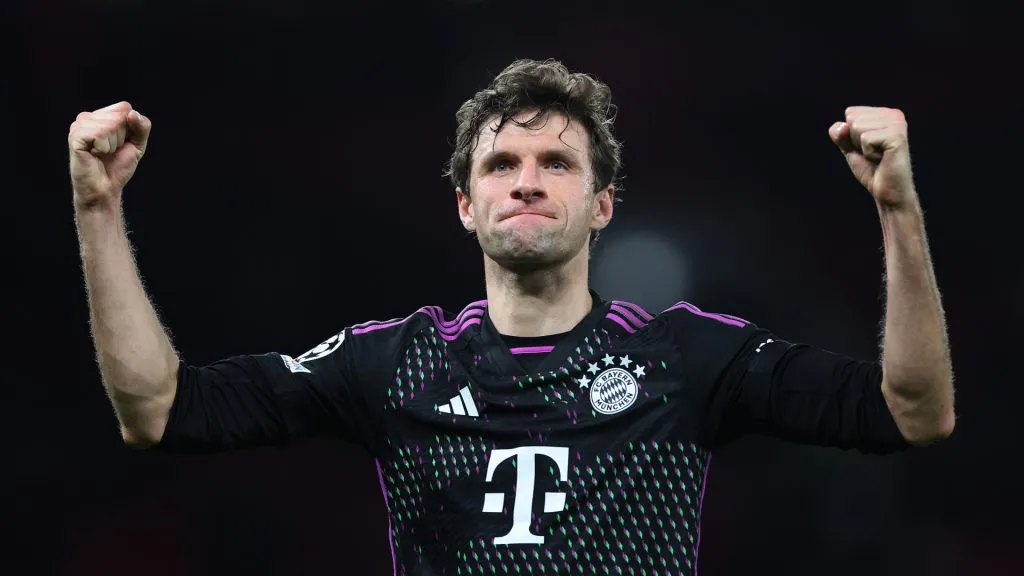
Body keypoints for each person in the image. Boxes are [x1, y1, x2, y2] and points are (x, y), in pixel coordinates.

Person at [69, 59, 955, 574]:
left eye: (557, 163)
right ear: (464, 204)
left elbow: (914, 412)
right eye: (501, 164)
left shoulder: (683, 355)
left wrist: (899, 212)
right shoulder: (395, 364)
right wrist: (98, 210)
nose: (527, 178)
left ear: (603, 205)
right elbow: (159, 411)